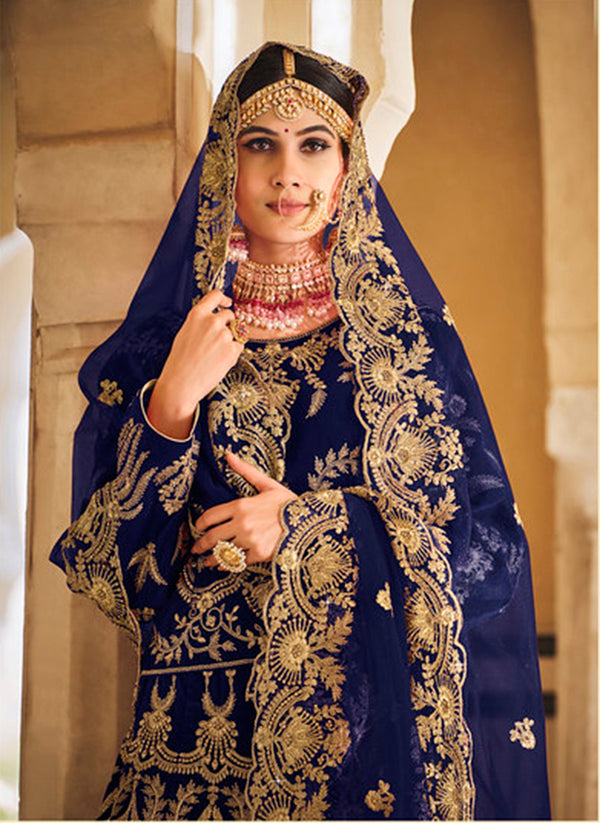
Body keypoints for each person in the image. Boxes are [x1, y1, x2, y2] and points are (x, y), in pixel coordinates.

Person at [50, 42, 551, 820]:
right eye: (262, 144)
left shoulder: (409, 350)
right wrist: (172, 403)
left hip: (362, 765)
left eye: (314, 145)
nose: (288, 174)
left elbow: (492, 556)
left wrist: (312, 530)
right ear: (227, 164)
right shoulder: (164, 348)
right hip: (192, 764)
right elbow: (108, 571)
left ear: (348, 170)